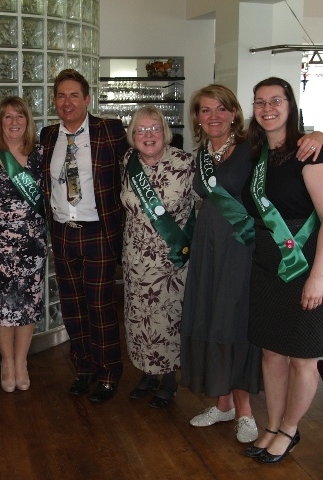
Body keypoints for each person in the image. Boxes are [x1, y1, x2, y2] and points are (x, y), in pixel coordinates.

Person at [181, 85, 323, 444]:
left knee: (238, 325)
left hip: (245, 250)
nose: (213, 116)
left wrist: (319, 134)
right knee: (217, 321)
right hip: (212, 251)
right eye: (205, 110)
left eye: (221, 109)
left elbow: (297, 157)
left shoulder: (250, 149)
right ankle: (224, 401)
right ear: (197, 118)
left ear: (234, 113)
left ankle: (247, 412)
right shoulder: (204, 153)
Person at [242, 77, 323, 463]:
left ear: (291, 106)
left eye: (277, 100)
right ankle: (271, 425)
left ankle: (290, 431)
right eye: (260, 101)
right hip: (267, 266)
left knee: (303, 358)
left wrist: (319, 277)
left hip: (305, 265)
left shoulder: (309, 153)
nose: (268, 107)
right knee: (272, 353)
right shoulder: (260, 155)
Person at [40, 69, 128, 403]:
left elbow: (137, 163)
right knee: (73, 307)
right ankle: (84, 369)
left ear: (87, 99)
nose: (67, 102)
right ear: (54, 100)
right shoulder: (48, 137)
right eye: (61, 95)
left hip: (99, 233)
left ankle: (108, 372)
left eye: (74, 95)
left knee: (101, 306)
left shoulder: (109, 131)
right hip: (63, 233)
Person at [120, 106, 195, 408]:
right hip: (135, 258)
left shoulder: (186, 162)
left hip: (170, 261)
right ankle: (148, 373)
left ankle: (168, 379)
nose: (148, 135)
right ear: (132, 135)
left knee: (168, 319)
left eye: (154, 129)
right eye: (141, 130)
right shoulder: (128, 161)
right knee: (139, 318)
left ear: (165, 132)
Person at [0, 96, 47, 392]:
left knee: (29, 303)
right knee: (3, 305)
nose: (14, 122)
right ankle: (7, 361)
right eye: (7, 117)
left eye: (20, 116)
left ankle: (22, 361)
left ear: (28, 121)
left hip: (32, 241)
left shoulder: (40, 153)